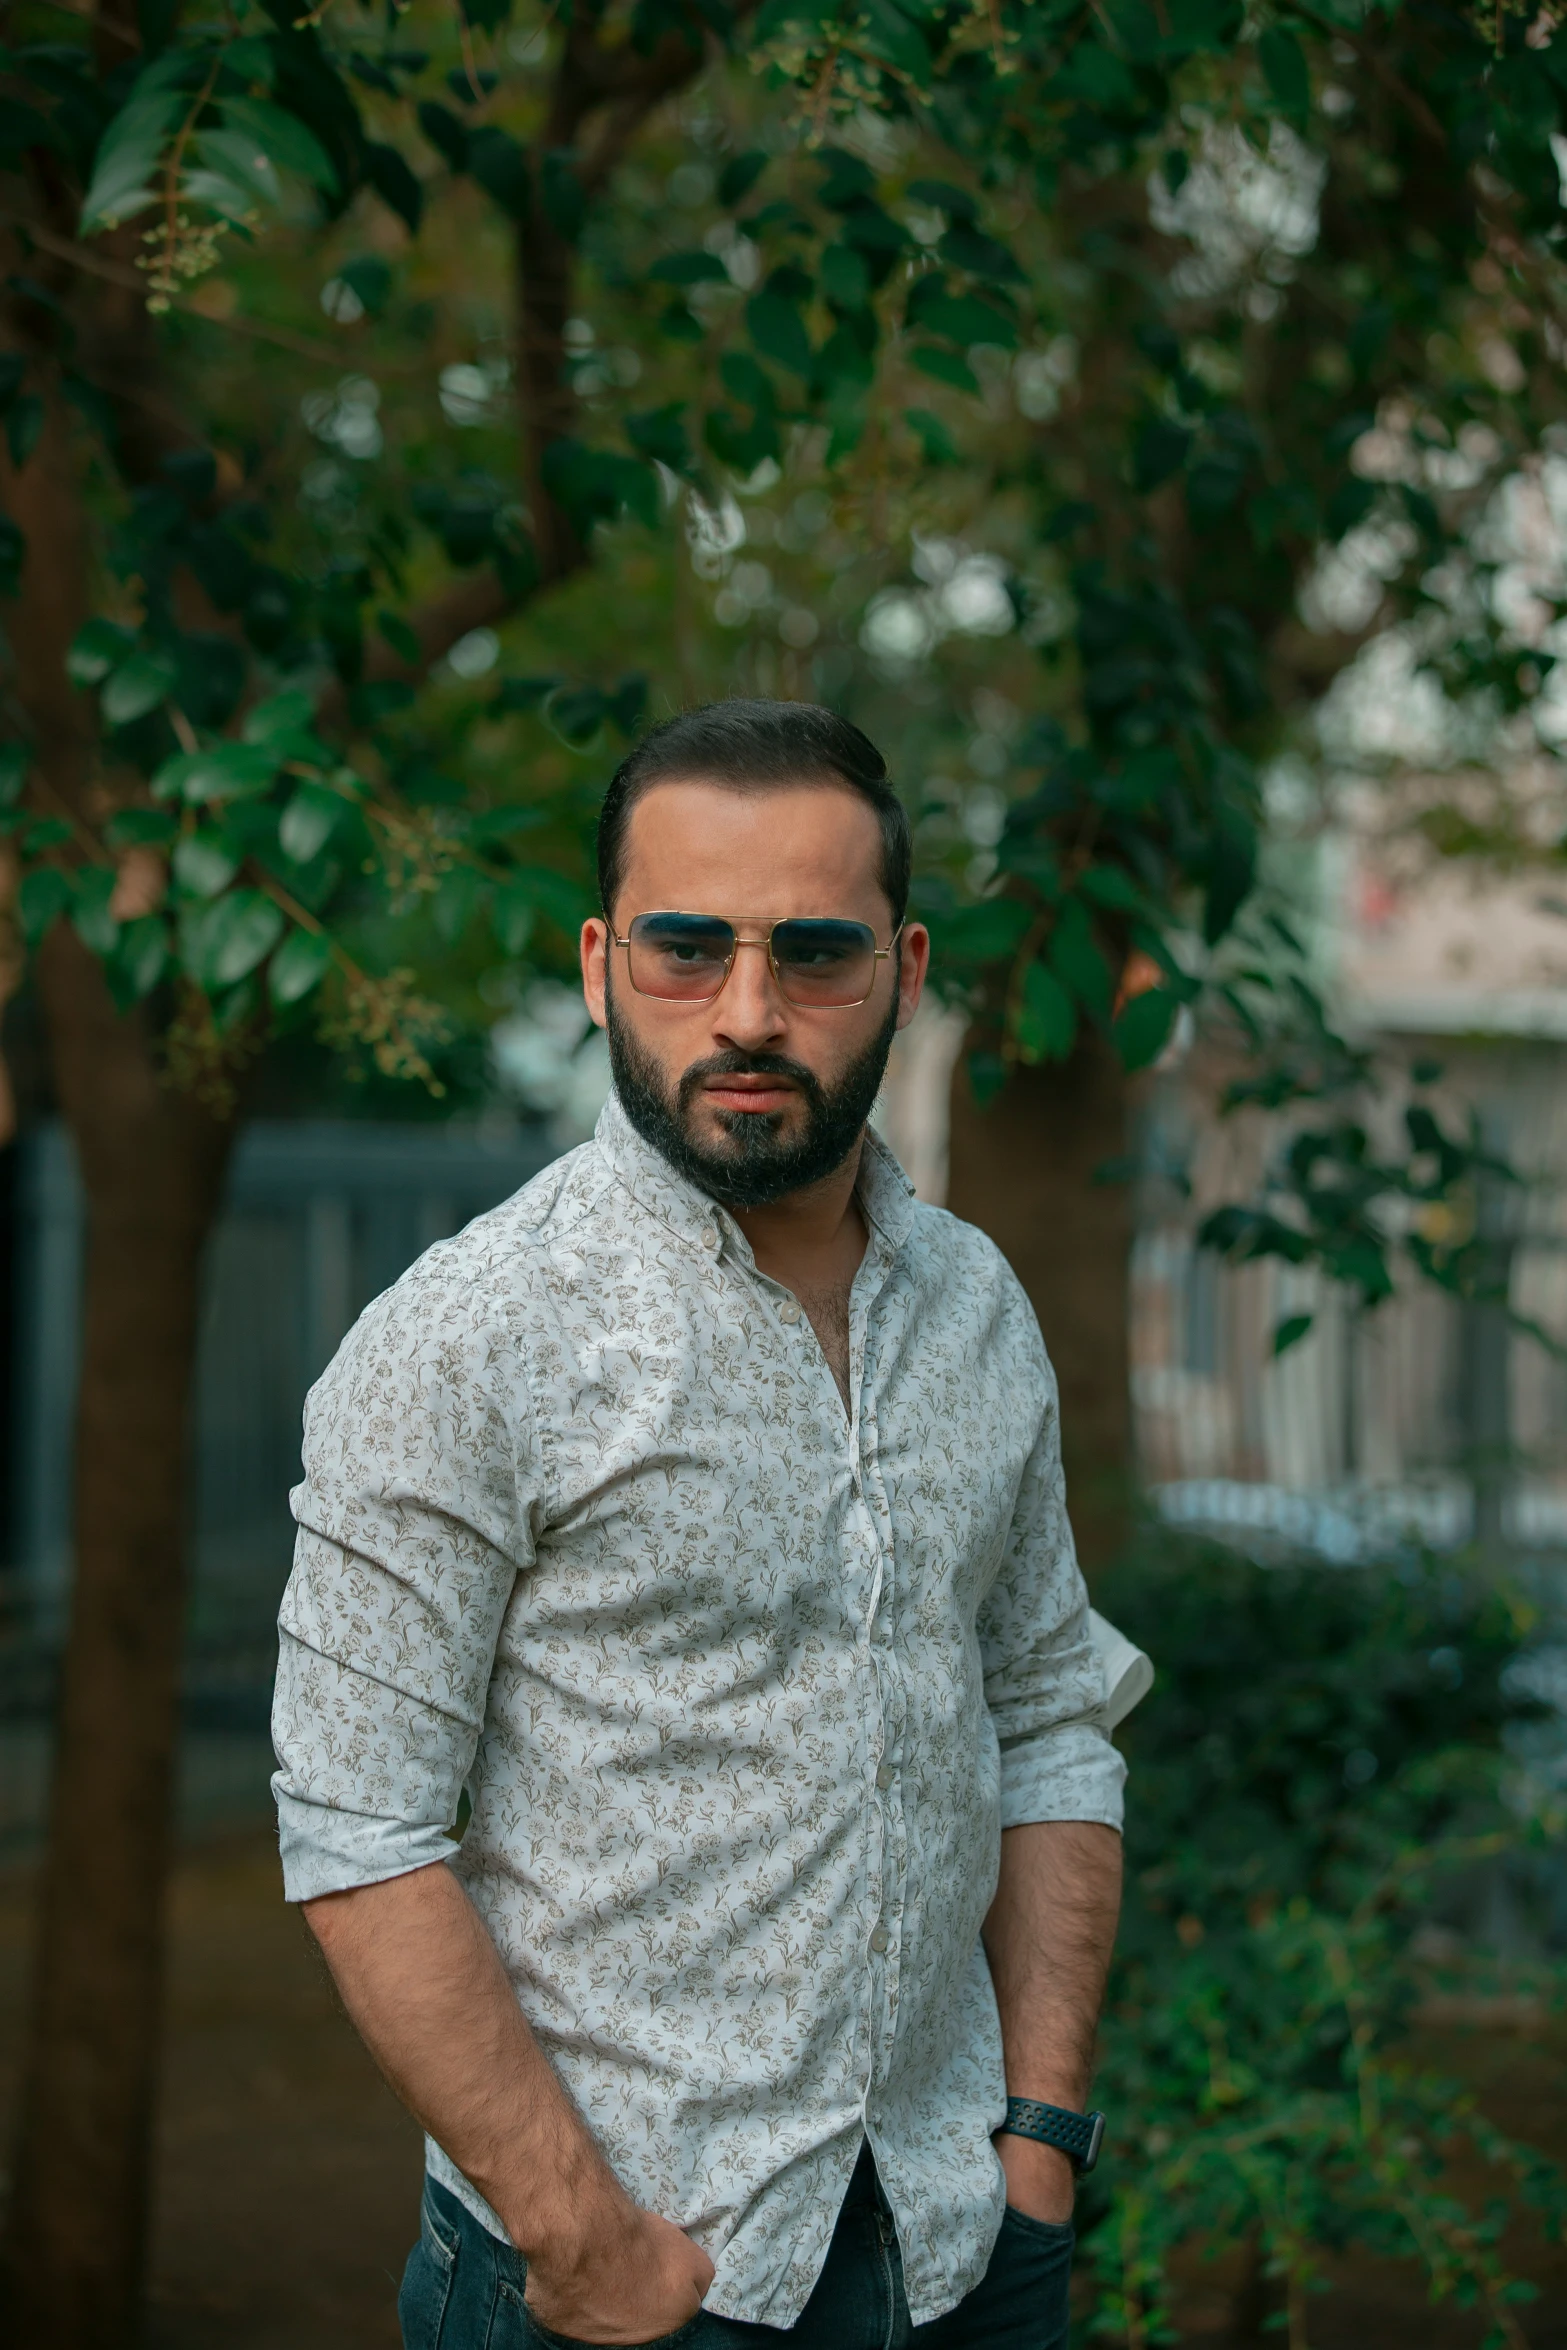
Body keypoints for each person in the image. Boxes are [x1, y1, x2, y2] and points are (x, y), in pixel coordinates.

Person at [272, 699, 1125, 2350]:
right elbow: (361, 1833)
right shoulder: (467, 1338)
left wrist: (1039, 2141)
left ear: (906, 967)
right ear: (600, 962)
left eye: (814, 954)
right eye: (686, 949)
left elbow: (1048, 1716)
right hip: (631, 2286)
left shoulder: (976, 1308)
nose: (747, 1011)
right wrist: (581, 2236)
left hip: (960, 2244)